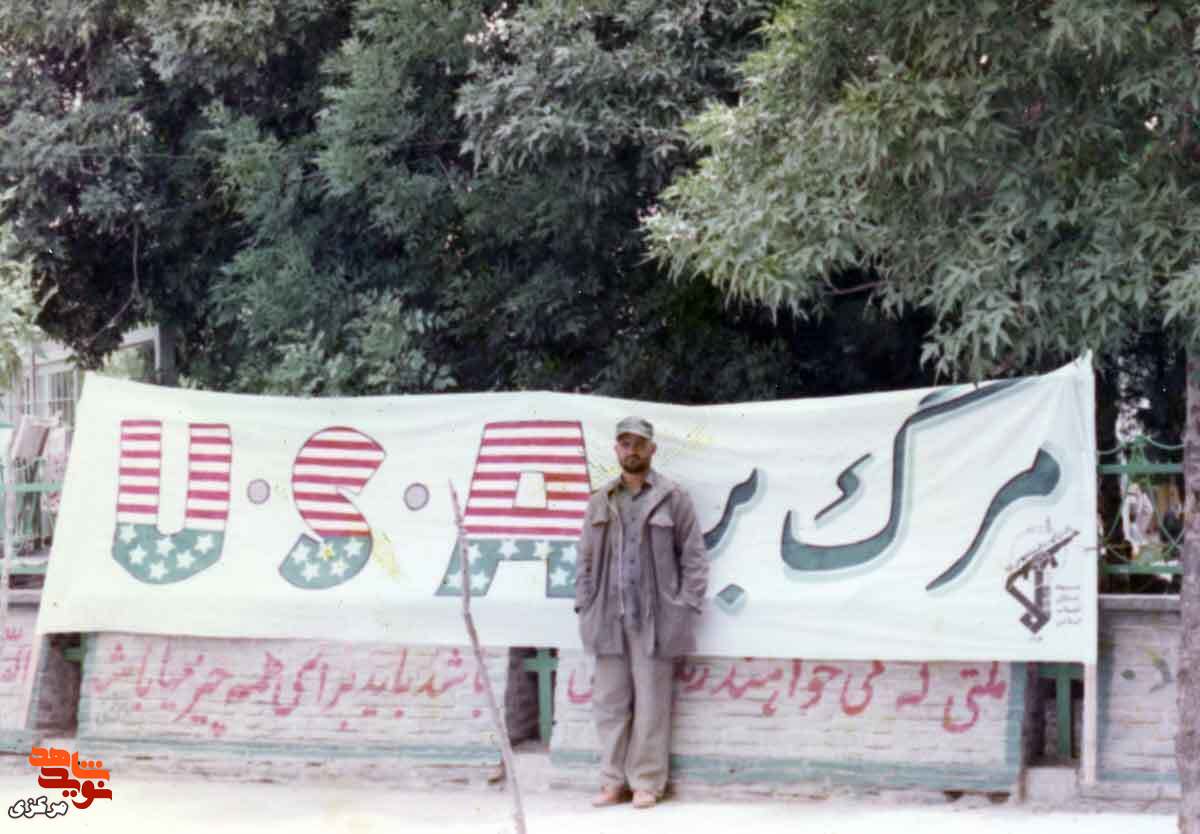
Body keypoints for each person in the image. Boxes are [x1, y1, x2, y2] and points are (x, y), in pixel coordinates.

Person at [574, 416, 707, 809]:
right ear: (616, 450)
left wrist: (684, 606)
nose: (632, 450)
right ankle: (612, 782)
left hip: (655, 621)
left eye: (639, 443)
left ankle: (647, 782)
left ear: (652, 449)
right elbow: (584, 559)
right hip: (607, 618)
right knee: (609, 704)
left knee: (652, 705)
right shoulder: (600, 501)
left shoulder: (673, 498)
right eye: (625, 443)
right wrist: (585, 604)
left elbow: (694, 558)